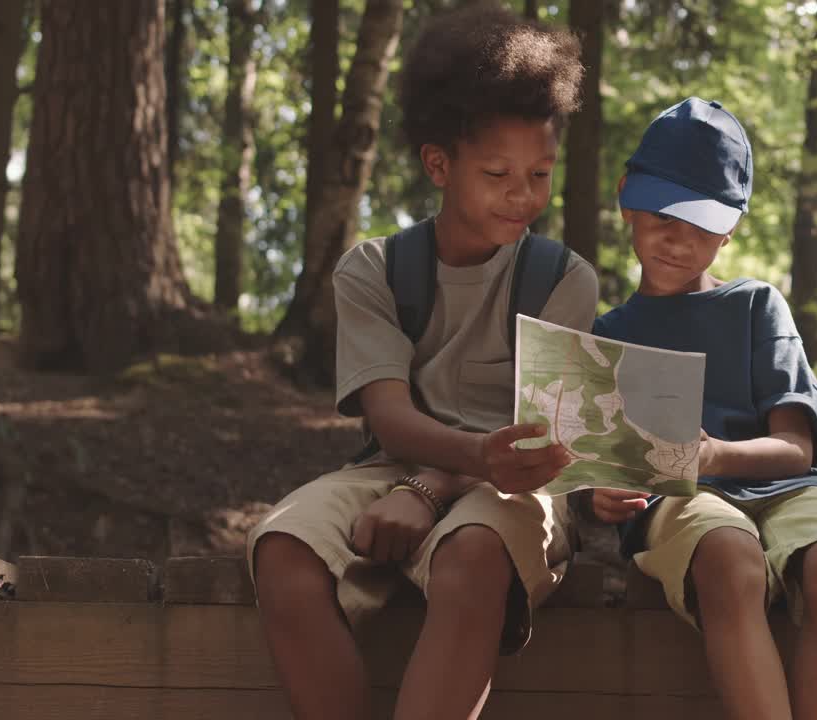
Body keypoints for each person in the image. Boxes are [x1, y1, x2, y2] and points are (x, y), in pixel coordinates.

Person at [246, 6, 597, 720]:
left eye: (540, 173)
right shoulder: (373, 271)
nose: (524, 195)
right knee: (282, 549)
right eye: (498, 173)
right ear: (439, 164)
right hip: (391, 468)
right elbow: (388, 416)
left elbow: (540, 441)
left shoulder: (565, 280)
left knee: (474, 556)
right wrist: (421, 481)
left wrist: (433, 490)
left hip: (514, 490)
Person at [591, 97, 817, 720]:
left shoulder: (756, 306)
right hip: (676, 502)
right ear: (627, 198)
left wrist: (714, 454)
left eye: (703, 226)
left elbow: (797, 448)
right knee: (728, 554)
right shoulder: (604, 335)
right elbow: (597, 470)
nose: (679, 241)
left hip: (786, 487)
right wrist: (597, 496)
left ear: (730, 230)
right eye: (664, 217)